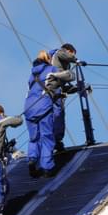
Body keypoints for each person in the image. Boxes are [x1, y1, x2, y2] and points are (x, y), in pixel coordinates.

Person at [24, 50, 69, 178]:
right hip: (43, 106)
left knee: (34, 137)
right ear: (48, 59)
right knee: (47, 137)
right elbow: (67, 76)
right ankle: (47, 167)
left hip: (28, 107)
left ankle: (32, 159)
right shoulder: (51, 69)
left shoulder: (32, 75)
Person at [50, 43, 81, 152]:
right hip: (55, 90)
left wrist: (75, 89)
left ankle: (52, 141)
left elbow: (63, 85)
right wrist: (76, 60)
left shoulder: (57, 60)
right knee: (58, 114)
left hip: (53, 89)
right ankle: (56, 141)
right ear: (68, 50)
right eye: (72, 53)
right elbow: (67, 56)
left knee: (53, 116)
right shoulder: (60, 52)